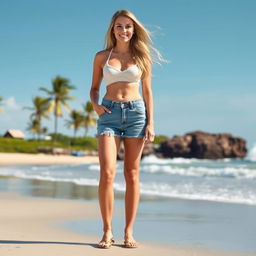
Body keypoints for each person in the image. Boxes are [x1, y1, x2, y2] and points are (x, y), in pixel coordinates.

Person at [90, 9, 163, 249]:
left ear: (134, 30)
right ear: (113, 29)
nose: (124, 30)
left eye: (128, 27)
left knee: (132, 174)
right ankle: (107, 230)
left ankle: (129, 232)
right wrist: (96, 104)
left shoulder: (142, 56)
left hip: (136, 114)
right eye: (119, 26)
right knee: (107, 172)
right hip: (109, 114)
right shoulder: (101, 56)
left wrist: (151, 122)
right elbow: (94, 88)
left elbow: (148, 92)